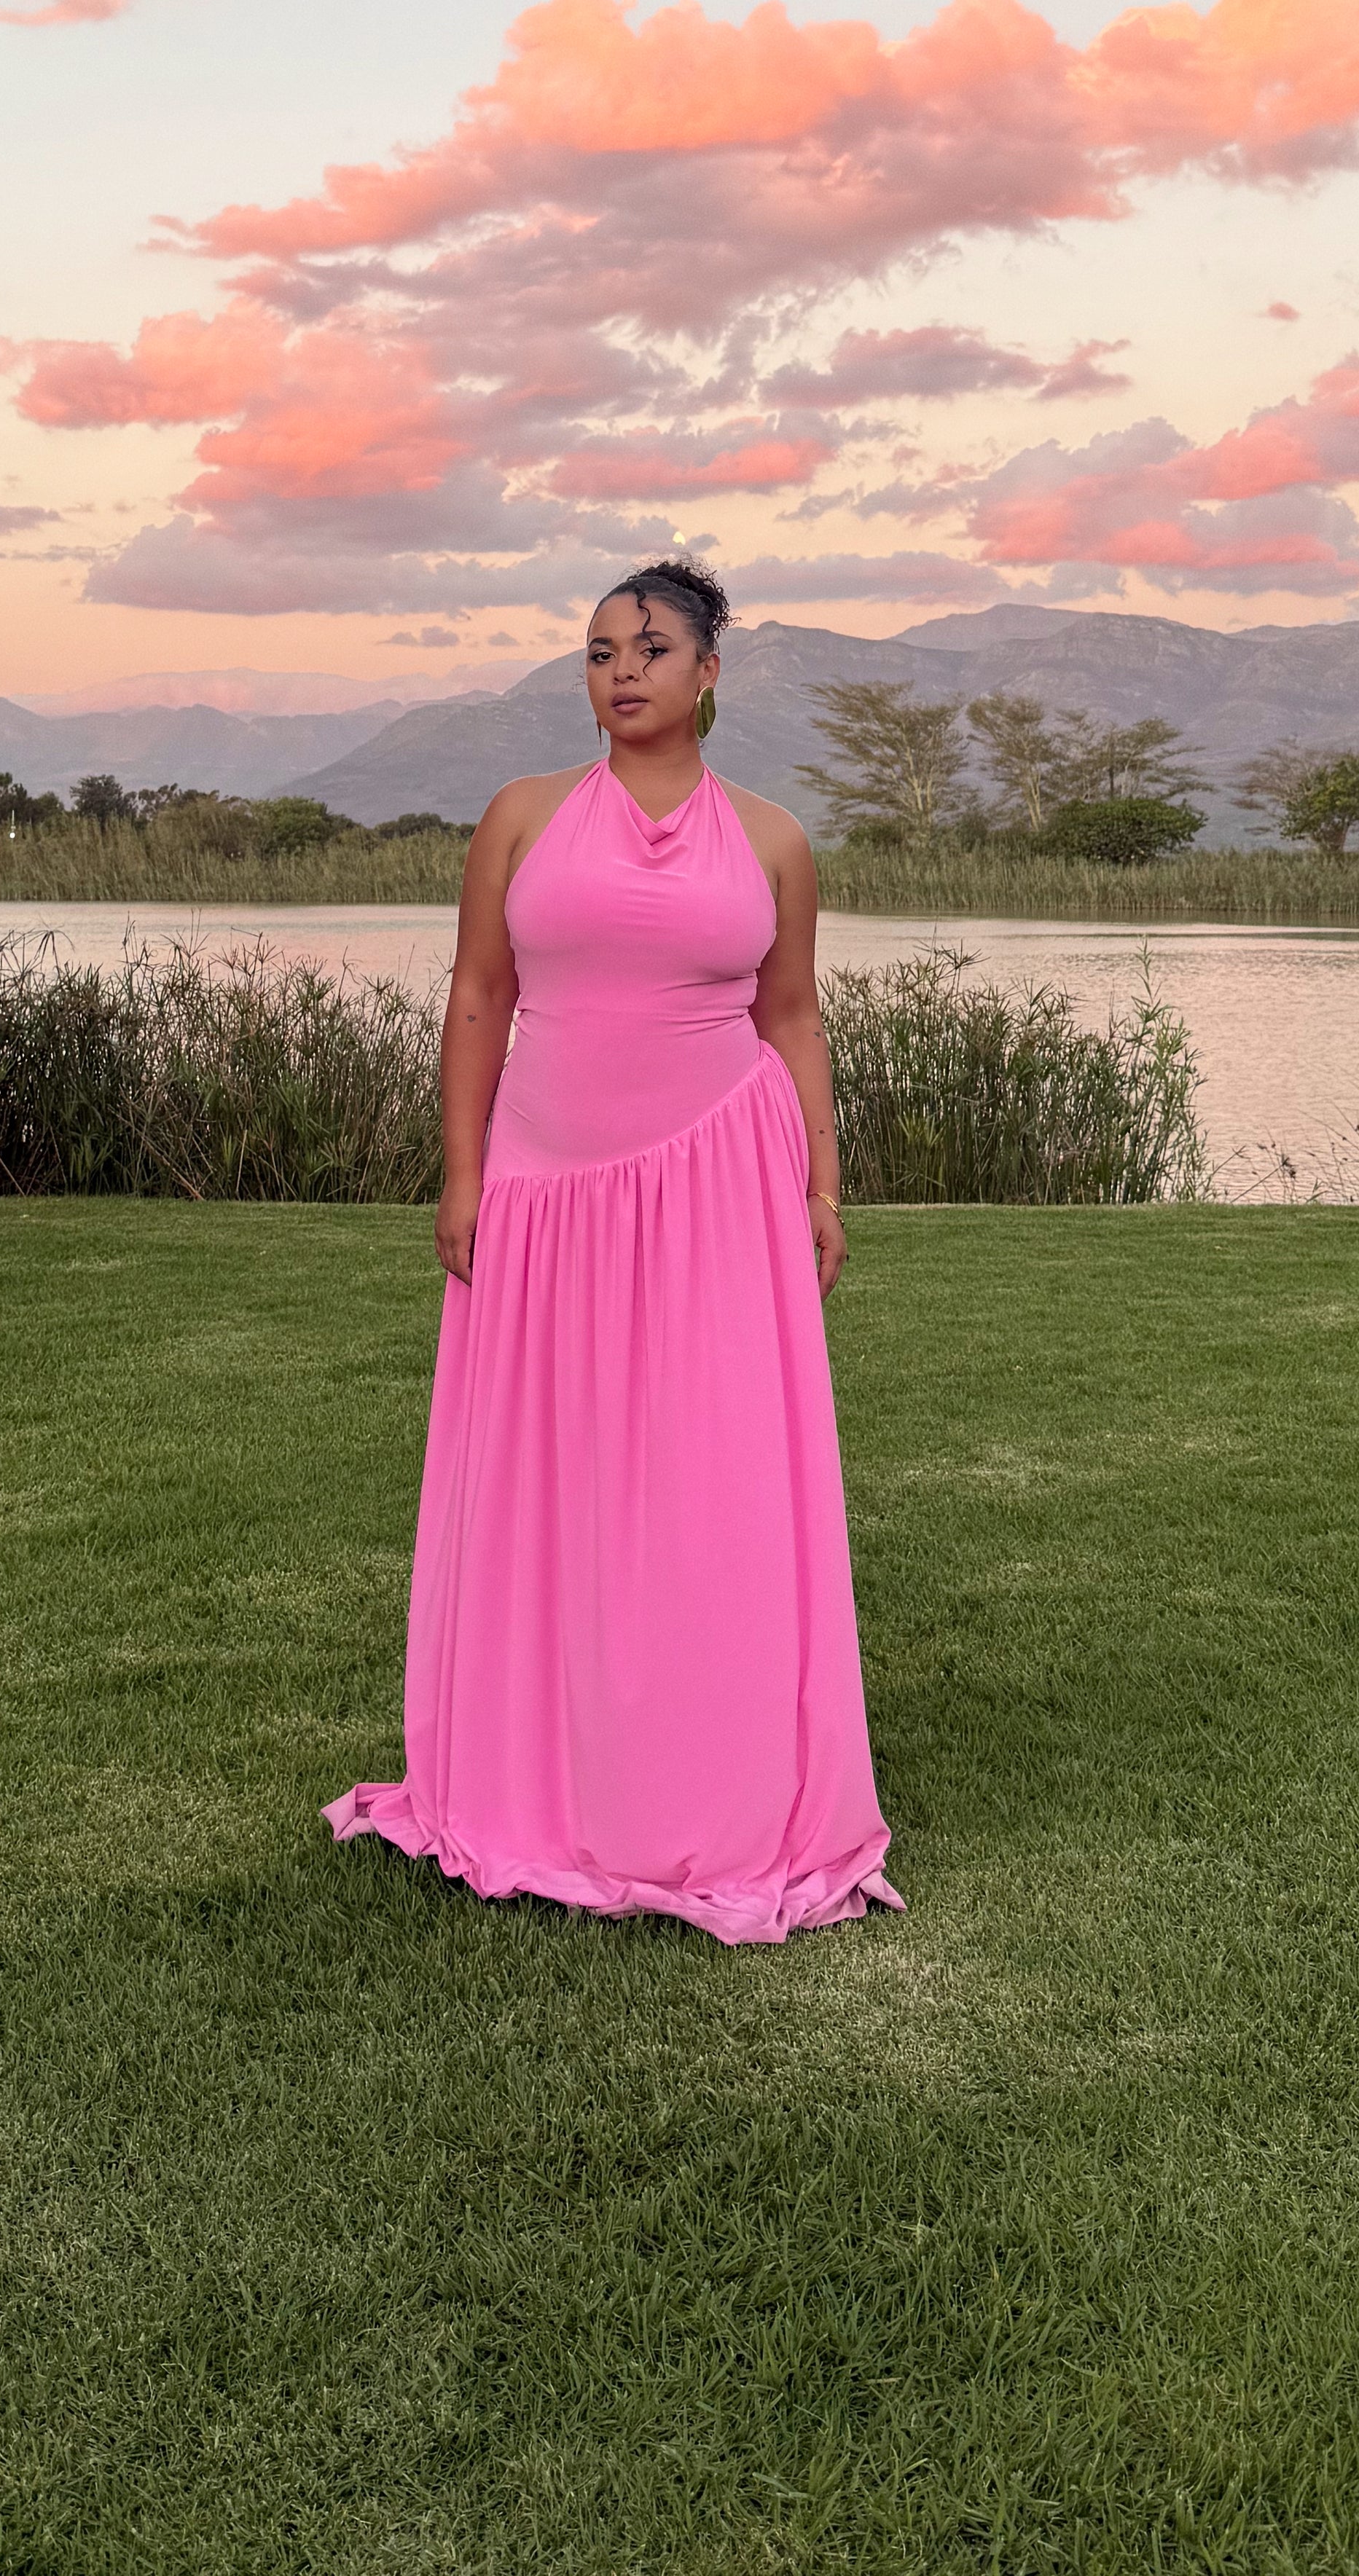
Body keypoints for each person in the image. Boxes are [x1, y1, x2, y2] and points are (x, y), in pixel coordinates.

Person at [327, 558, 901, 1941]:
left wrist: (822, 1186)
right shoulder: (522, 820)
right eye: (597, 651)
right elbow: (477, 995)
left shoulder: (773, 842)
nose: (620, 669)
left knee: (711, 1486)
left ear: (711, 674)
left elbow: (797, 1018)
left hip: (719, 1186)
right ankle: (544, 1782)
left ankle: (710, 1794)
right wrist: (462, 1175)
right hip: (542, 1188)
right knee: (549, 1476)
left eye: (650, 647)